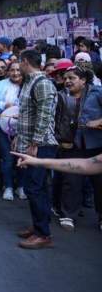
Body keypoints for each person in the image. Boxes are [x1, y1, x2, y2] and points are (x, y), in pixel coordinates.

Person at [13, 49, 58, 249]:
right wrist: (18, 139)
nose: (16, 66)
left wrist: (35, 144)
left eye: (18, 62)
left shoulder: (43, 83)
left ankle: (43, 234)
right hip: (29, 142)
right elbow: (24, 114)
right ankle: (39, 225)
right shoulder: (28, 81)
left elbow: (44, 115)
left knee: (34, 187)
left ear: (25, 62)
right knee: (35, 187)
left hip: (42, 145)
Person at [53, 66, 102, 232]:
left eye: (71, 78)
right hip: (71, 144)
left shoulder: (97, 92)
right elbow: (56, 120)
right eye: (65, 78)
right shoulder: (60, 96)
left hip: (96, 145)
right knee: (71, 180)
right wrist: (60, 140)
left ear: (83, 80)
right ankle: (68, 214)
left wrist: (99, 121)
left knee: (100, 183)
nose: (67, 81)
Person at [0, 62, 25, 201]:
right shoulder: (0, 85)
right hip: (2, 128)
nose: (15, 73)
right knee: (7, 158)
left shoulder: (28, 85)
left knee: (22, 157)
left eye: (18, 70)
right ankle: (8, 186)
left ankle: (21, 186)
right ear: (8, 72)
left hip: (23, 128)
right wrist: (4, 105)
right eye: (12, 70)